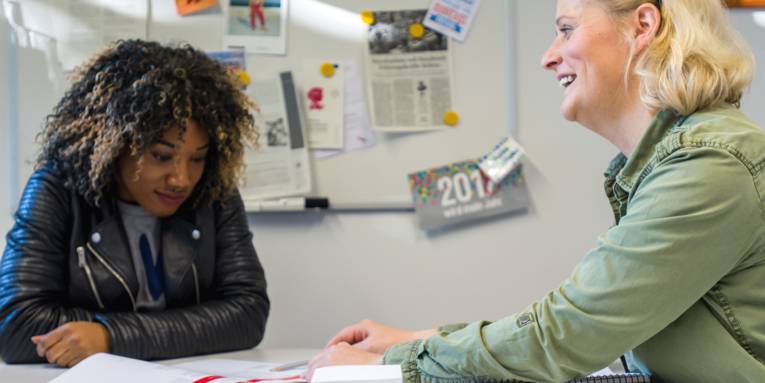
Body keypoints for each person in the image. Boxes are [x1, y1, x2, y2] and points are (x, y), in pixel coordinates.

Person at [307, 0, 765, 381]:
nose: (548, 56)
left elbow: (566, 332)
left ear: (643, 26)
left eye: (566, 30)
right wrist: (418, 340)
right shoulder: (671, 160)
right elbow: (575, 321)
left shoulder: (708, 162)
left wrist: (385, 367)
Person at [0, 39, 270, 367]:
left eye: (197, 158)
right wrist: (172, 331)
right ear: (116, 144)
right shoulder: (57, 189)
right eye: (161, 156)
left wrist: (111, 337)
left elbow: (247, 312)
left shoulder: (214, 191)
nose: (182, 179)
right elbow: (16, 325)